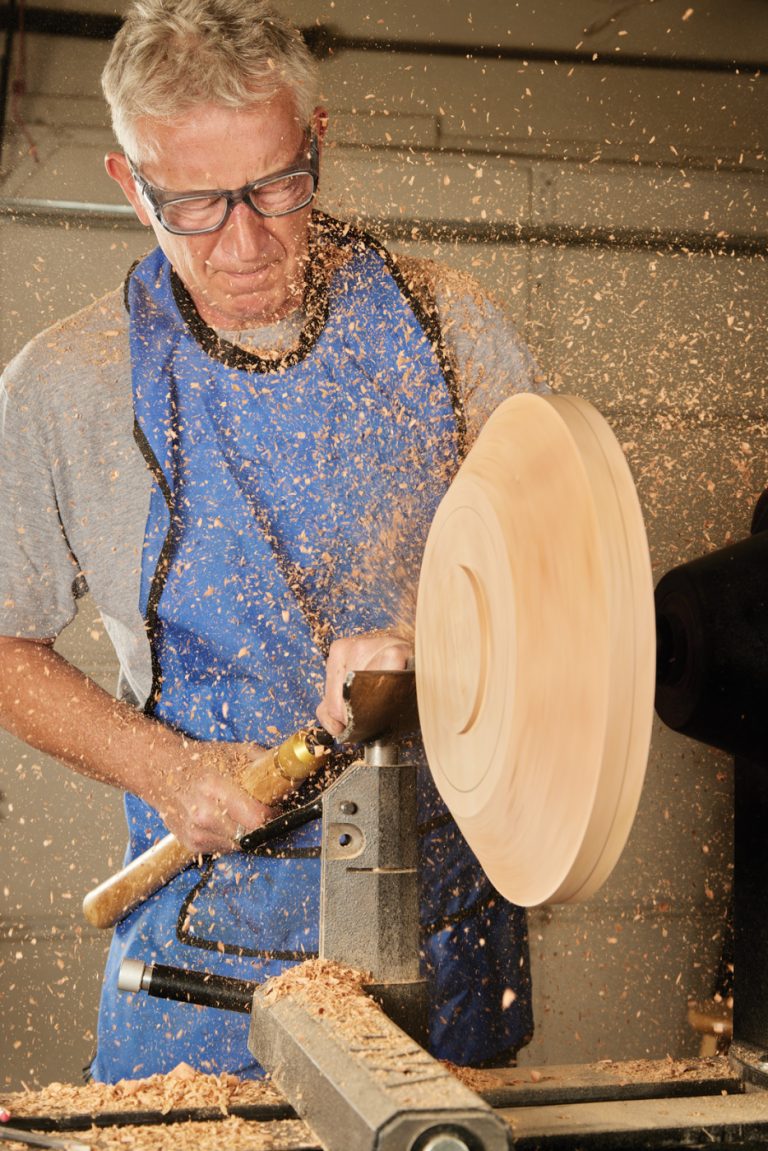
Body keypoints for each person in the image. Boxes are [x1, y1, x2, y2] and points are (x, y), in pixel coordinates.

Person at [0, 0, 545, 1082]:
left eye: (277, 188)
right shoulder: (68, 387)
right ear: (130, 183)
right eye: (195, 206)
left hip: (449, 939)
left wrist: (436, 639)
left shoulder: (451, 327)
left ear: (317, 140)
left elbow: (559, 581)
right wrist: (170, 766)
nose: (246, 241)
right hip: (209, 955)